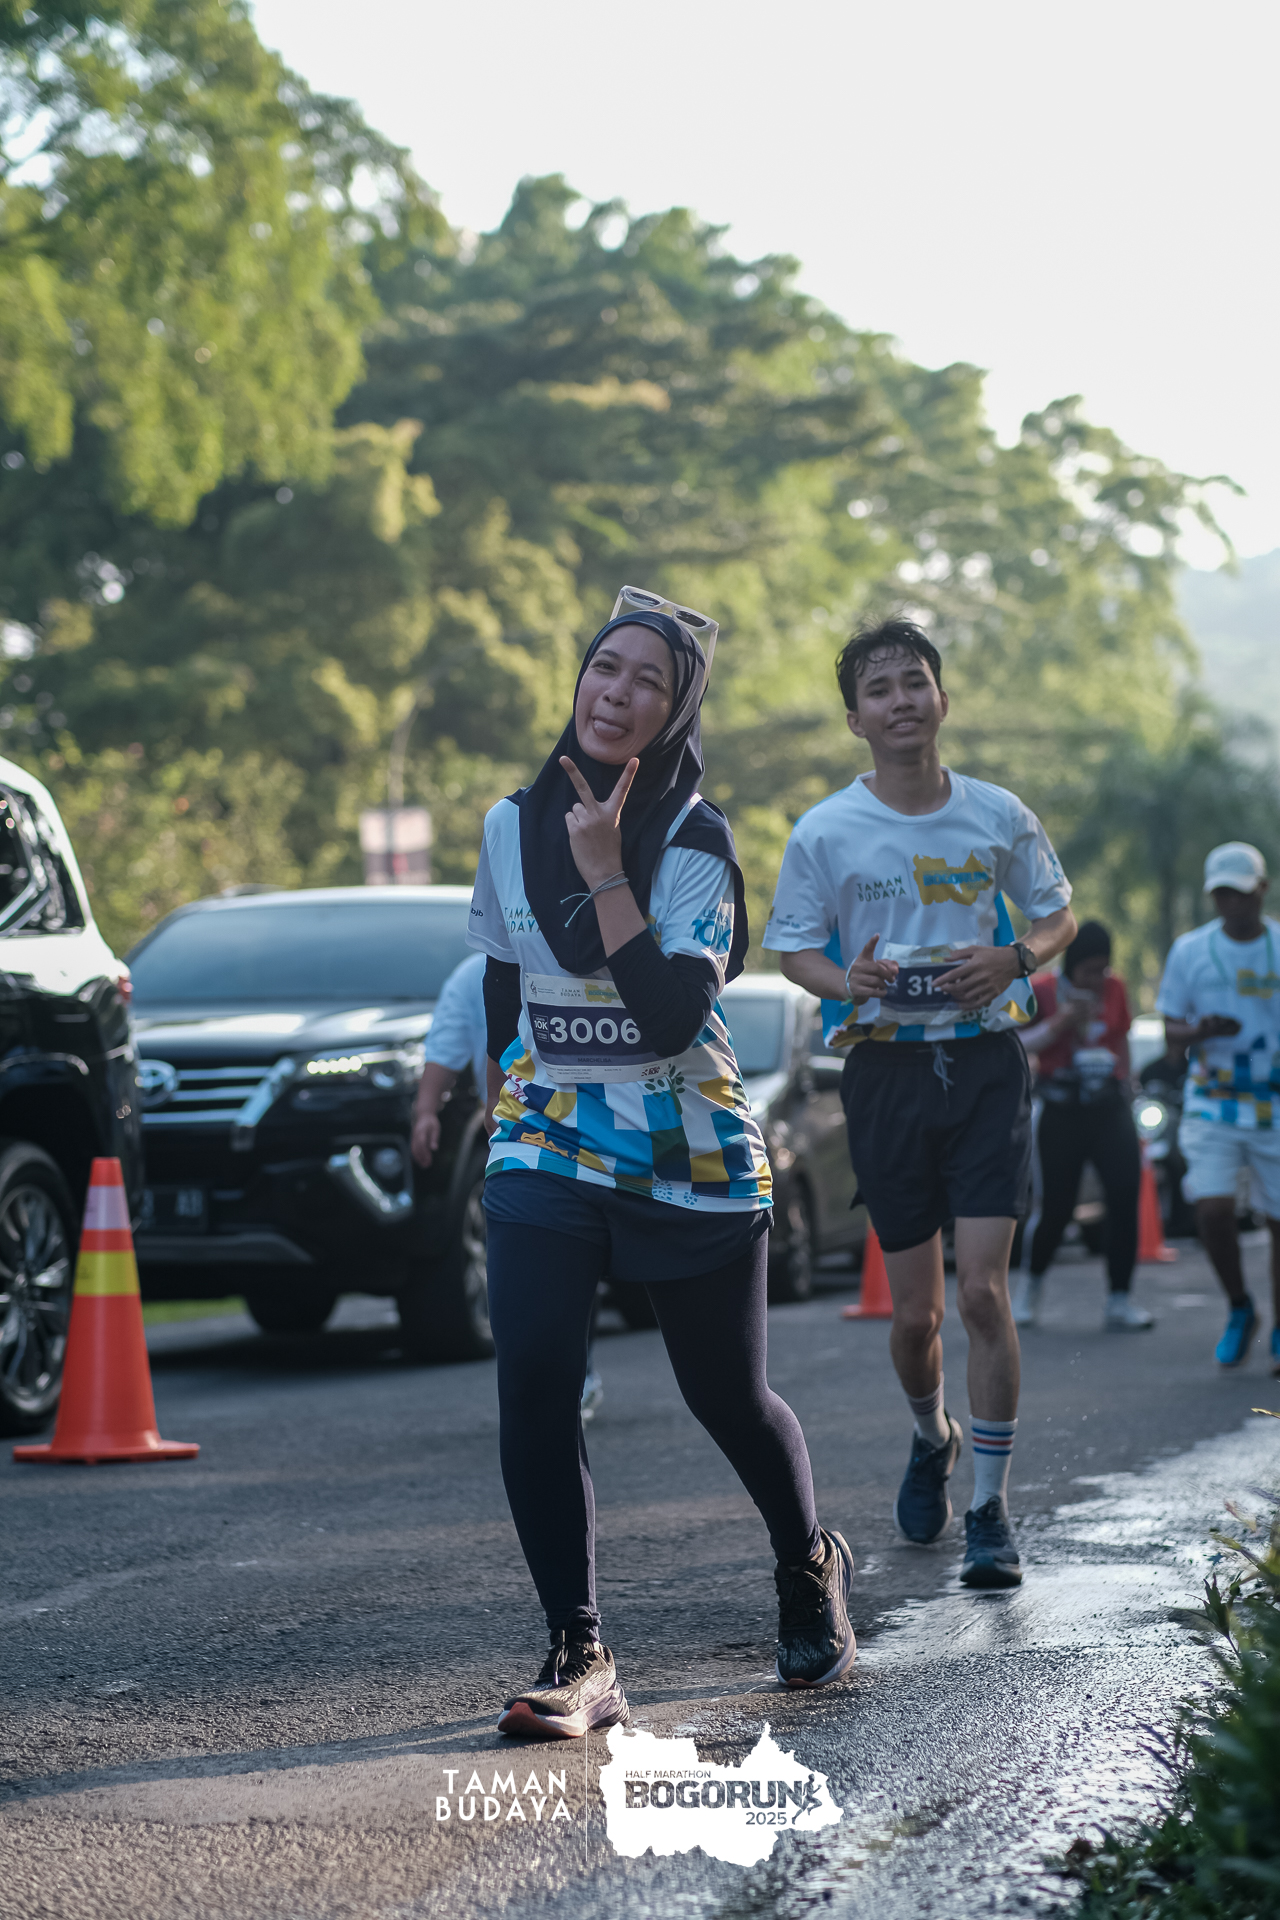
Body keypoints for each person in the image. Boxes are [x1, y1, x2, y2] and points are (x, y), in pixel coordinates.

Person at [467, 600, 856, 1740]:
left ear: (675, 711)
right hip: (548, 1133)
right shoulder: (507, 824)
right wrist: (500, 1090)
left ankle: (807, 1563)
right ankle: (578, 1647)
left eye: (648, 680)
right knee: (535, 1378)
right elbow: (501, 973)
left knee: (724, 1395)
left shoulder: (695, 839)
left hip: (684, 1143)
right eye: (605, 666)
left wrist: (606, 870)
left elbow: (674, 1015)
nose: (617, 691)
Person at [763, 617, 1076, 1589]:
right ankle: (929, 1432)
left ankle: (988, 1510)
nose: (899, 701)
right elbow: (794, 950)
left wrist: (1014, 957)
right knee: (913, 1319)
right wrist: (847, 981)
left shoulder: (997, 814)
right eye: (878, 689)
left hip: (984, 1066)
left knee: (981, 1292)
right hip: (885, 1075)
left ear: (941, 700)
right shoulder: (825, 830)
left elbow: (1056, 915)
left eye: (913, 682)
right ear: (855, 719)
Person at [410, 952, 604, 1417]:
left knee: (574, 1258)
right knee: (538, 1259)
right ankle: (546, 1384)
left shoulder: (574, 955)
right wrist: (426, 1110)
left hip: (590, 1129)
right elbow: (446, 1046)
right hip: (517, 1135)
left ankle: (577, 1375)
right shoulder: (471, 976)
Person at [1156, 842, 1280, 1374]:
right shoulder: (1191, 951)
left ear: (1262, 890)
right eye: (1222, 894)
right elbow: (1170, 1033)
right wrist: (1200, 1031)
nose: (1231, 903)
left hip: (1273, 1104)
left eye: (1240, 893)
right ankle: (1239, 1306)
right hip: (1214, 1101)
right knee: (1211, 1209)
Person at [1012, 921, 1151, 1331]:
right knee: (1056, 1208)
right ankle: (1030, 1289)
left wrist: (1127, 1081)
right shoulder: (1043, 991)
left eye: (1102, 969)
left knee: (1124, 1197)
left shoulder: (1115, 989)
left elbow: (1122, 1038)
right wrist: (1061, 1023)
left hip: (1108, 1107)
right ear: (1072, 965)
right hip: (1061, 1109)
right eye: (1089, 969)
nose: (1096, 978)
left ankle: (1120, 1299)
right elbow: (1018, 1044)